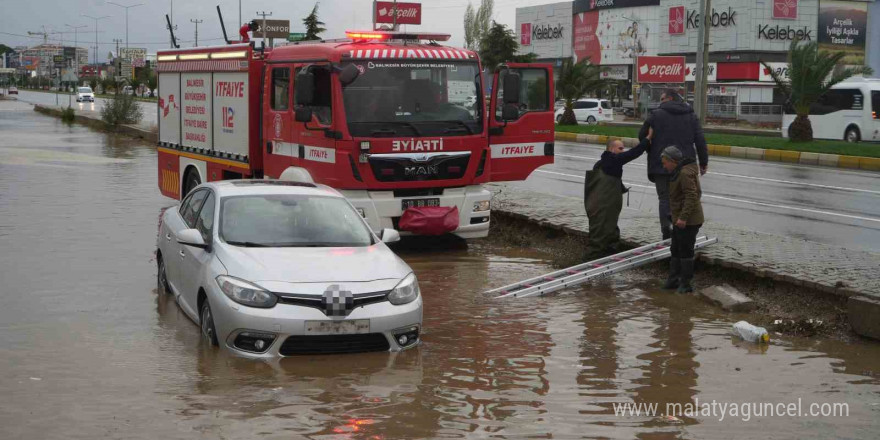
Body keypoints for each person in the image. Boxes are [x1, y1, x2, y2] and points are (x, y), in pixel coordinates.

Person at [638, 89, 708, 239]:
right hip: (686, 165)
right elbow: (700, 140)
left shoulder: (656, 115)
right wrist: (703, 162)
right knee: (687, 197)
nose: (660, 101)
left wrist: (651, 150)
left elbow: (642, 135)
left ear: (669, 99)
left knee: (664, 199)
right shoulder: (691, 115)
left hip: (661, 165)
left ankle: (667, 232)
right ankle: (684, 230)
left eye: (662, 98)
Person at [584, 130, 652, 258]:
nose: (622, 150)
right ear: (611, 149)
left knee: (610, 227)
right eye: (620, 148)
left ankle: (610, 252)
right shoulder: (612, 160)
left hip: (603, 203)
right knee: (601, 229)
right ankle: (593, 258)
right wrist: (648, 138)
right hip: (603, 204)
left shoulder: (603, 162)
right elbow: (634, 153)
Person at [660, 146, 704, 293]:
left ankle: (686, 284)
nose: (664, 166)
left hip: (689, 221)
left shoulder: (684, 173)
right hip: (679, 218)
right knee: (675, 248)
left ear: (673, 161)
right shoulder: (677, 172)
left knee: (685, 250)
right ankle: (673, 280)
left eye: (665, 162)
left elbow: (692, 196)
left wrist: (683, 218)